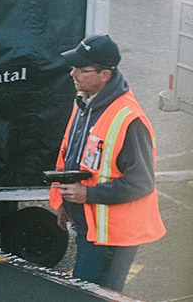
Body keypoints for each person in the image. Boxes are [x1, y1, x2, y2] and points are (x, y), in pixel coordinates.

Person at [49, 34, 165, 292]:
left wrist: (86, 194)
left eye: (82, 69)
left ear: (105, 75)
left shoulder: (129, 120)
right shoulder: (85, 102)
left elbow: (141, 183)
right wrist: (66, 203)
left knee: (97, 295)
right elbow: (74, 158)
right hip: (90, 230)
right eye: (73, 67)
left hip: (112, 238)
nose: (73, 74)